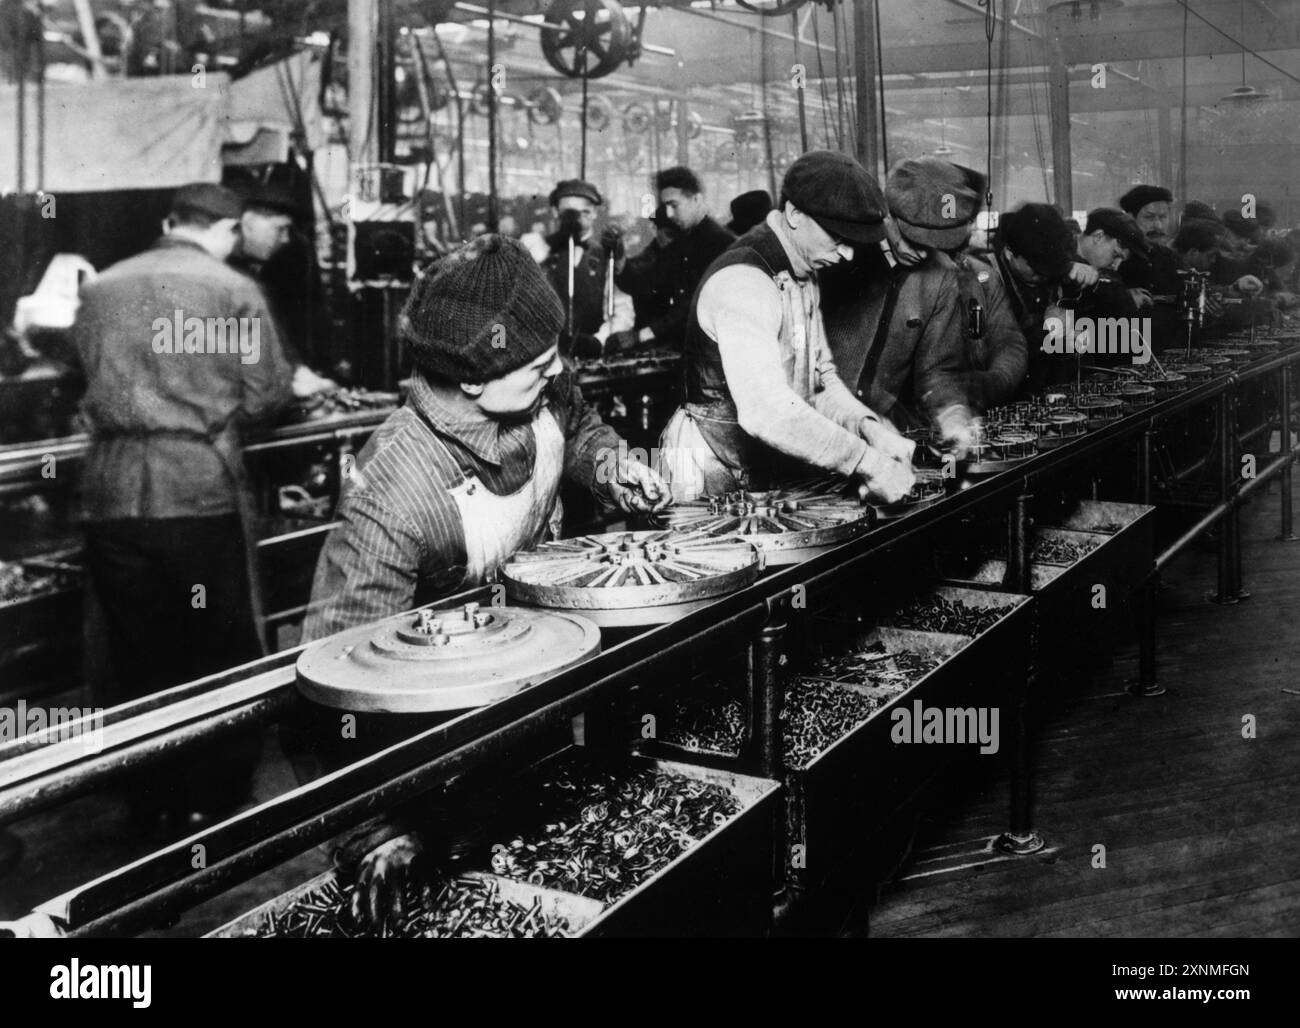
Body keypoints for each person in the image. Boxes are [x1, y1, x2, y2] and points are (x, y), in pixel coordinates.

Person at [300, 234, 669, 641]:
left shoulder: (539, 388)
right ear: (473, 380)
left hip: (546, 645)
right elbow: (346, 659)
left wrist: (612, 467)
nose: (556, 371)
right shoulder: (389, 497)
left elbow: (577, 426)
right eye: (539, 365)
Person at [74, 182, 295, 831]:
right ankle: (214, 797)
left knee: (138, 650)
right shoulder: (231, 290)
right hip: (196, 491)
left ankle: (151, 798)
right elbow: (266, 393)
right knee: (214, 646)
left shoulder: (100, 287)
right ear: (226, 232)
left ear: (171, 223)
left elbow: (83, 377)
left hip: (112, 492)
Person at [657, 149, 916, 503]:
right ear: (794, 214)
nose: (848, 254)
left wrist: (867, 427)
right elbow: (767, 412)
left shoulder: (805, 269)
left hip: (763, 469)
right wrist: (867, 461)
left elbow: (820, 381)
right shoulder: (744, 281)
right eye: (837, 238)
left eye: (853, 241)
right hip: (708, 473)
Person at [821, 157, 979, 451]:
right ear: (887, 215)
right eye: (913, 239)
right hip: (819, 424)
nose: (921, 254)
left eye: (933, 244)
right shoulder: (834, 257)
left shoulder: (942, 277)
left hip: (883, 434)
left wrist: (952, 413)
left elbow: (938, 369)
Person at [610, 166, 734, 353]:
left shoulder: (720, 244)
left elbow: (693, 305)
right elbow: (646, 282)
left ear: (696, 199)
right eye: (665, 206)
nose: (668, 214)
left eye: (673, 205)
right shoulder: (681, 241)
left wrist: (641, 335)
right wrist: (618, 255)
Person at [229, 183, 336, 395]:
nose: (286, 239)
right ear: (248, 224)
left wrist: (300, 373)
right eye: (280, 228)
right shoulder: (227, 278)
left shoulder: (261, 272)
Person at [989, 202, 1096, 395]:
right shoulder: (985, 277)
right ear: (1009, 252)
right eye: (1036, 269)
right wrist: (1044, 330)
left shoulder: (1057, 268)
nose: (1044, 276)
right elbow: (988, 354)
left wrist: (1086, 273)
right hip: (1006, 397)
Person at [536, 179, 633, 357]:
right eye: (569, 213)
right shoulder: (539, 252)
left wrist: (600, 340)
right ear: (555, 212)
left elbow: (623, 311)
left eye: (585, 212)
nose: (577, 219)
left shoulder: (607, 255)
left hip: (593, 355)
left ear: (595, 213)